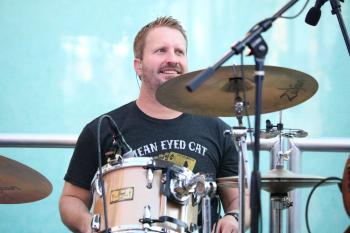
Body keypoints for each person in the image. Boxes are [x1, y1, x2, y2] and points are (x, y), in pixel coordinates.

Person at [59, 16, 250, 233]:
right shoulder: (102, 129)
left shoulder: (218, 131)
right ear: (138, 66)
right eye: (161, 51)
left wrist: (234, 218)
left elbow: (240, 201)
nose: (172, 59)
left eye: (179, 52)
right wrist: (87, 224)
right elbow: (71, 198)